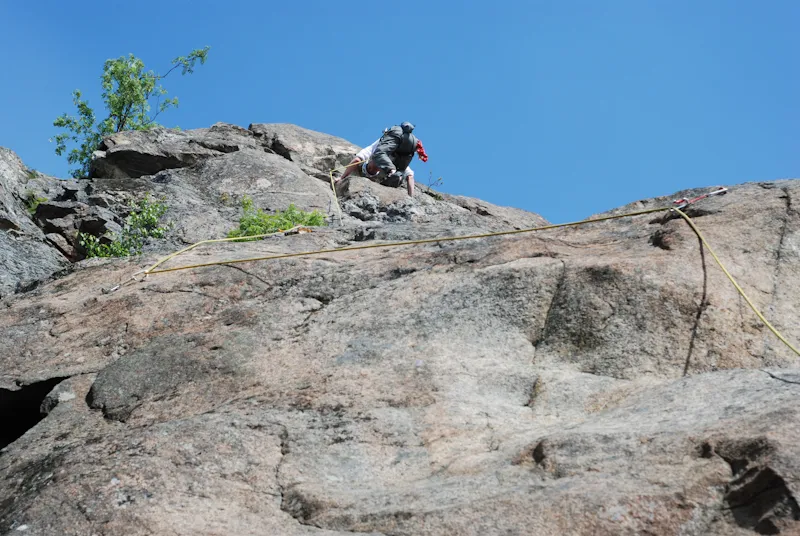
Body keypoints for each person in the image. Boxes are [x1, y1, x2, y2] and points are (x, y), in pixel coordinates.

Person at [336, 122, 428, 196]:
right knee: (400, 171)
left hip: (399, 138)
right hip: (409, 145)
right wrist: (410, 197)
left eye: (370, 168)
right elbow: (410, 176)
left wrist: (342, 177)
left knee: (380, 156)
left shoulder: (374, 149)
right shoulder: (392, 160)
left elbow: (357, 160)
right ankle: (393, 173)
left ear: (369, 161)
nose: (375, 168)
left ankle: (392, 171)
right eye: (375, 171)